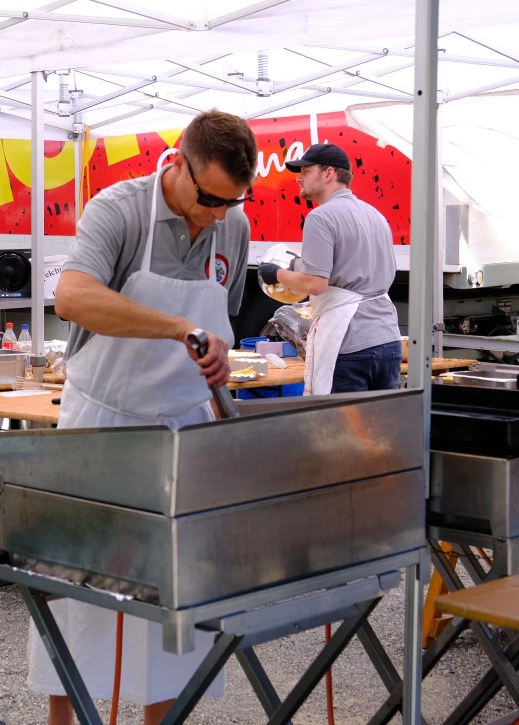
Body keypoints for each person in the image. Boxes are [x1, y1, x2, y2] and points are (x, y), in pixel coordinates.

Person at [27, 110, 257, 725]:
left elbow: (223, 319)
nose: (219, 215)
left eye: (233, 201)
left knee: (178, 595)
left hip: (182, 427)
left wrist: (218, 354)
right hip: (102, 420)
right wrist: (179, 327)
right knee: (78, 584)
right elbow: (73, 296)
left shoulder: (232, 225)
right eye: (210, 199)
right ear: (177, 163)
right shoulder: (119, 210)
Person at [260, 141, 401, 394]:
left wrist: (276, 273)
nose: (299, 178)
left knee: (341, 421)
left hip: (349, 341)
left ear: (328, 173)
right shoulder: (376, 215)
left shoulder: (320, 217)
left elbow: (315, 283)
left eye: (306, 171)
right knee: (384, 419)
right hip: (388, 338)